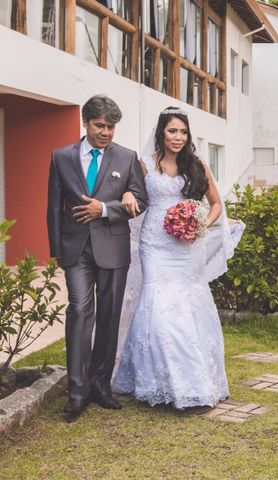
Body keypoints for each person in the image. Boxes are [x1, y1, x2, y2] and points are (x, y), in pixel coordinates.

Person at [112, 107, 238, 412]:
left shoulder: (196, 166)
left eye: (183, 131)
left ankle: (192, 383)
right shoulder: (144, 165)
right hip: (155, 245)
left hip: (187, 247)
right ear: (161, 133)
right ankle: (155, 380)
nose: (178, 137)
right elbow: (131, 195)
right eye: (172, 131)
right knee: (157, 309)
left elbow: (217, 204)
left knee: (188, 308)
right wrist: (127, 195)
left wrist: (202, 223)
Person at [46, 95, 148, 422]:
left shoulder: (127, 157)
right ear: (85, 123)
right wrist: (57, 251)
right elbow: (53, 207)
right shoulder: (61, 157)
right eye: (100, 125)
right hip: (76, 250)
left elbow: (141, 200)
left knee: (109, 315)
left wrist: (104, 208)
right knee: (79, 311)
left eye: (111, 127)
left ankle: (101, 386)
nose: (106, 132)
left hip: (113, 248)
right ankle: (77, 392)